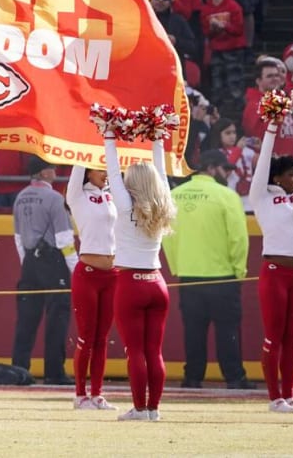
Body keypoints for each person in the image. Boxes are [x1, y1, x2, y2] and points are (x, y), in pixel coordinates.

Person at [104, 120, 178, 421]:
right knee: (154, 350)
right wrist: (158, 139)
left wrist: (109, 135)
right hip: (157, 282)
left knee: (135, 350)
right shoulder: (164, 204)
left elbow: (111, 171)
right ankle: (154, 410)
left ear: (131, 183)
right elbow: (161, 175)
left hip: (130, 283)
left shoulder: (124, 206)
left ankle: (139, 407)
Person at [164, 151, 251, 390]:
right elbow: (238, 239)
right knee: (228, 332)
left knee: (193, 332)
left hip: (189, 276)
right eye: (226, 170)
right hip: (223, 276)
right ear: (212, 168)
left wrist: (176, 266)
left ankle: (192, 377)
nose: (229, 175)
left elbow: (167, 237)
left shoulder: (174, 196)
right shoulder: (226, 196)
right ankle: (234, 377)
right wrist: (239, 271)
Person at [246, 113, 293, 413]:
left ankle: (289, 395)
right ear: (276, 177)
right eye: (289, 174)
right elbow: (263, 163)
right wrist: (272, 126)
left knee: (292, 338)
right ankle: (275, 398)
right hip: (274, 273)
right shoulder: (261, 196)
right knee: (274, 335)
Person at [11, 158, 73, 385]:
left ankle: (19, 369)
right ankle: (54, 371)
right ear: (45, 173)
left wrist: (26, 264)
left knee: (26, 319)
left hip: (29, 261)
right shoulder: (55, 199)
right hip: (52, 259)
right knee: (57, 317)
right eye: (52, 168)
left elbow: (18, 239)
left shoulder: (20, 197)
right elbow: (64, 238)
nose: (55, 170)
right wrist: (74, 268)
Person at [66, 159, 117, 410]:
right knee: (86, 336)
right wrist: (84, 147)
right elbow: (78, 162)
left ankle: (97, 394)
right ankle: (79, 395)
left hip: (113, 275)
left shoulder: (112, 194)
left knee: (102, 337)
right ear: (88, 171)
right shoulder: (78, 196)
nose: (105, 174)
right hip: (87, 273)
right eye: (100, 169)